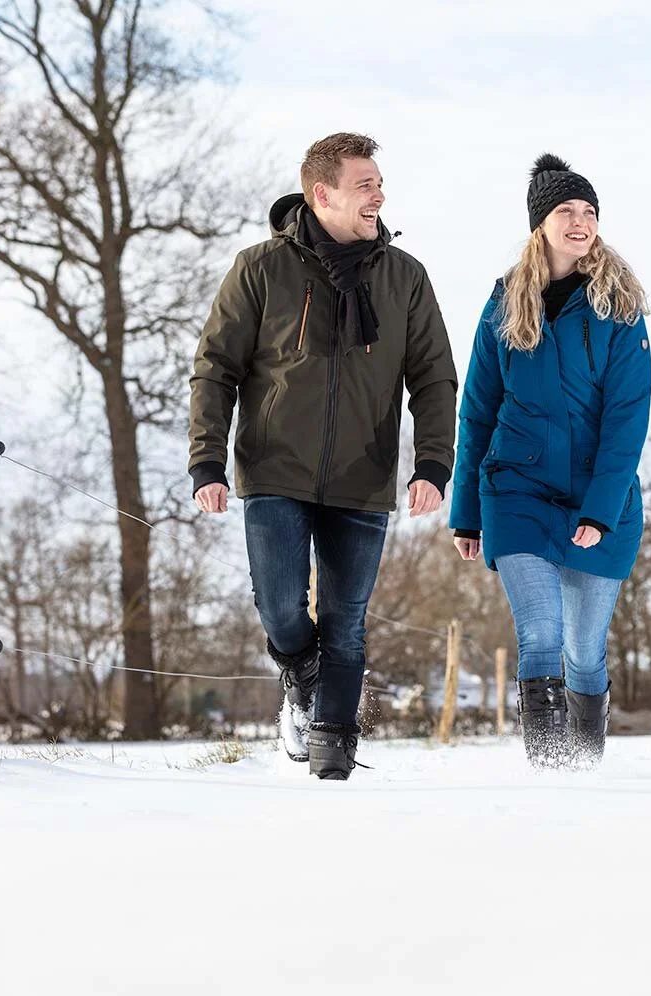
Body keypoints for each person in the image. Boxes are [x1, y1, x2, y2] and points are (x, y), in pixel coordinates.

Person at [189, 133, 457, 780]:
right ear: (322, 194)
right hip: (274, 468)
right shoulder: (259, 269)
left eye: (379, 183)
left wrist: (431, 464)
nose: (379, 195)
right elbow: (215, 368)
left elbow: (433, 377)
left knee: (346, 623)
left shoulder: (404, 277)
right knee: (281, 608)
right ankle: (300, 675)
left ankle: (332, 757)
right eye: (365, 184)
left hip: (362, 477)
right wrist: (207, 461)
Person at [450, 154, 651, 770]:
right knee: (540, 633)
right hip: (516, 489)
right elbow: (478, 409)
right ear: (541, 223)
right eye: (566, 210)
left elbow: (628, 419)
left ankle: (585, 768)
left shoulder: (620, 308)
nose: (580, 221)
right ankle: (551, 773)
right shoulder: (504, 303)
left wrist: (600, 510)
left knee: (585, 652)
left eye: (589, 211)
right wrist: (466, 512)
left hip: (599, 495)